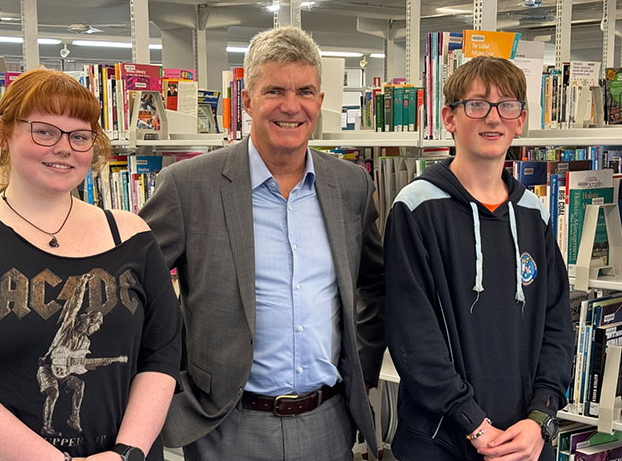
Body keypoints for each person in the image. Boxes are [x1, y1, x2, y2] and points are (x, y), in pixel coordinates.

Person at [0, 69, 182, 461]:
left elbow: (161, 357)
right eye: (45, 131)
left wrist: (127, 452)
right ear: (3, 133)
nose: (64, 148)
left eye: (80, 136)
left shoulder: (132, 236)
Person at [140, 26, 386, 460]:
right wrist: (171, 383)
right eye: (275, 90)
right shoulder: (188, 186)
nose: (291, 107)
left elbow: (375, 286)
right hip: (225, 426)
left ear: (320, 102)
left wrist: (361, 371)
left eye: (305, 91)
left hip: (328, 423)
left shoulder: (350, 186)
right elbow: (137, 291)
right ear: (248, 100)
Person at [384, 56, 574, 461]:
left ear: (520, 120)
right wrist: (472, 423)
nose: (493, 118)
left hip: (524, 440)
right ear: (449, 118)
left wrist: (541, 417)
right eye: (477, 104)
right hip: (440, 439)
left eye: (507, 105)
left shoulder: (533, 212)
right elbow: (413, 335)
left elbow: (557, 324)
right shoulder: (416, 208)